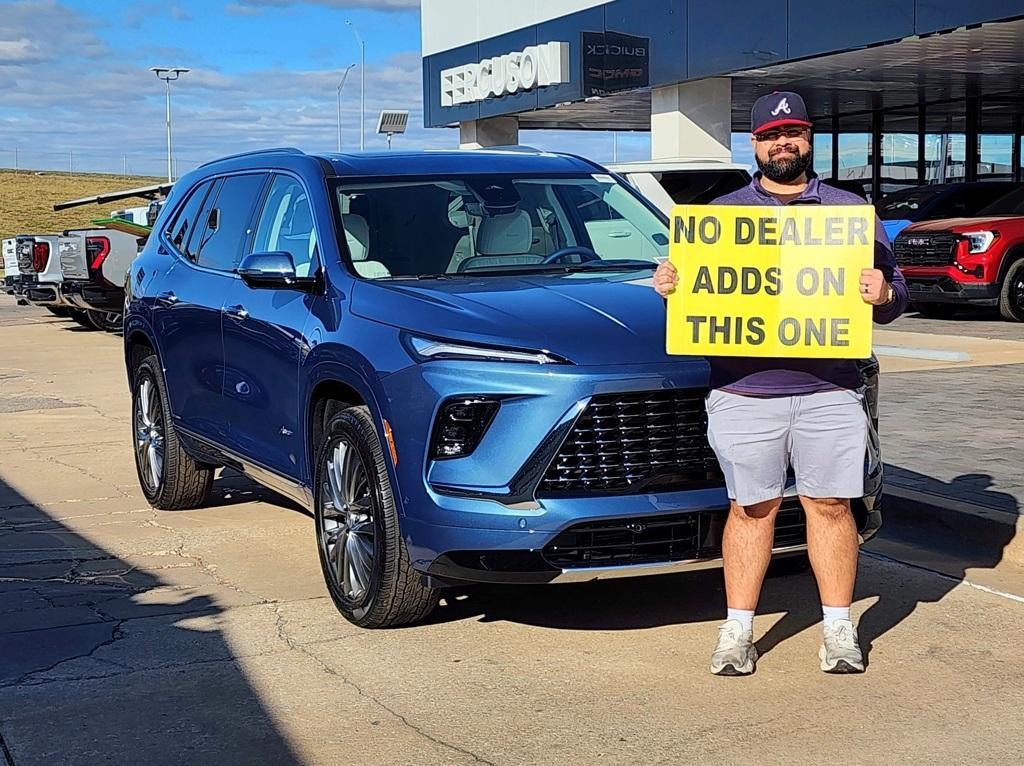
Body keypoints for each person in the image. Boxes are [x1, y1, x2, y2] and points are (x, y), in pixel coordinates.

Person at [653, 91, 908, 676]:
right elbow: (695, 297)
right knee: (750, 508)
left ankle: (838, 628)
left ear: (809, 138)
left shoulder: (850, 211)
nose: (783, 143)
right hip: (743, 392)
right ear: (754, 144)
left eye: (793, 132)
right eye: (771, 135)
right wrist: (670, 286)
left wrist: (884, 294)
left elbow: (896, 294)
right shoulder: (720, 216)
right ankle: (737, 631)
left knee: (831, 506)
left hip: (830, 391)